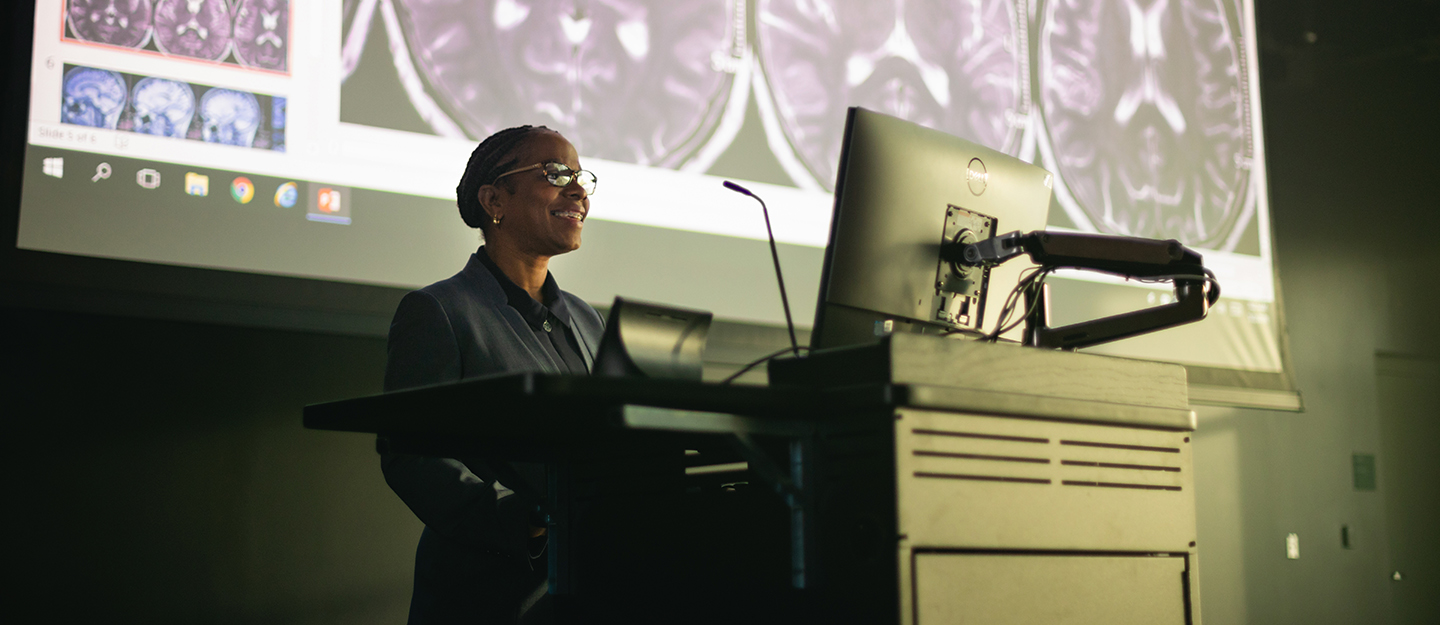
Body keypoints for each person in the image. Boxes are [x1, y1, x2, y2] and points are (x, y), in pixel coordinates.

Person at [380, 125, 604, 624]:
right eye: (555, 174)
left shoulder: (588, 321)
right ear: (494, 199)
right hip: (486, 594)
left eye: (581, 177)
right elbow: (410, 456)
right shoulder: (438, 311)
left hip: (587, 587)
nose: (577, 190)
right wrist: (521, 520)